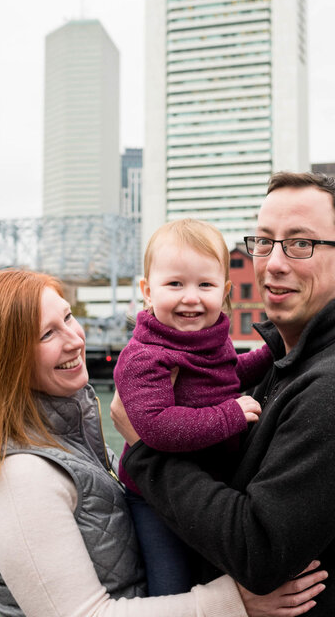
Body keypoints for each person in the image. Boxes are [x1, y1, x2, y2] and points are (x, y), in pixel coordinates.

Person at [0, 269, 327, 617]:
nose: (74, 339)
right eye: (46, 335)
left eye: (68, 318)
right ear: (1, 361)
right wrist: (235, 602)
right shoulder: (19, 476)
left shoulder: (69, 443)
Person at [114, 172, 335, 617]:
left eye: (300, 244)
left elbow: (257, 550)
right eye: (264, 241)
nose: (274, 262)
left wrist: (144, 448)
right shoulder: (293, 362)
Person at [113, 219, 274, 596]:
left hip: (209, 490)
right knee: (172, 589)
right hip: (155, 498)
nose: (191, 297)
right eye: (175, 284)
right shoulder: (145, 356)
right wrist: (229, 415)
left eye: (205, 285)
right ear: (147, 292)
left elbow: (230, 375)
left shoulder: (211, 342)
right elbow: (157, 427)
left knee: (212, 581)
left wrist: (272, 354)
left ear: (225, 291)